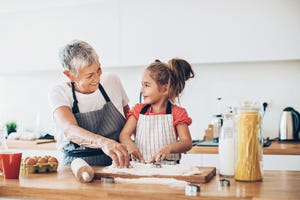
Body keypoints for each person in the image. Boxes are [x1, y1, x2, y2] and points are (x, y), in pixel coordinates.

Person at [48, 40, 130, 167]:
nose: (97, 79)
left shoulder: (112, 80)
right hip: (77, 167)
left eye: (99, 70)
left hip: (118, 163)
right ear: (70, 75)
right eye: (89, 76)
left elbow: (130, 117)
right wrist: (104, 143)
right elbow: (69, 129)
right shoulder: (59, 92)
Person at [119, 58, 194, 163]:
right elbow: (124, 135)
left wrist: (169, 148)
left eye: (147, 85)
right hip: (141, 168)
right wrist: (130, 145)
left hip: (169, 170)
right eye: (142, 85)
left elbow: (187, 142)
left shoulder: (177, 113)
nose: (142, 90)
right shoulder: (138, 110)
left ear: (165, 88)